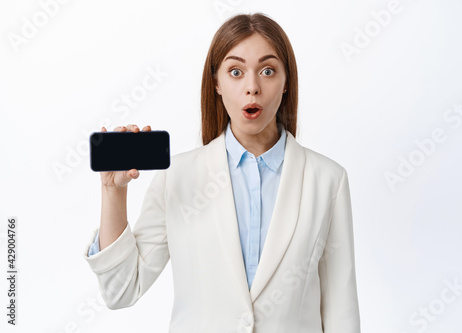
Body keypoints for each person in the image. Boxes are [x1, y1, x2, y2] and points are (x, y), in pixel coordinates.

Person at [84, 12, 361, 333]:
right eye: (235, 71)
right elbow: (121, 290)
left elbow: (342, 311)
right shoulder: (178, 177)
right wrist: (112, 191)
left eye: (268, 71)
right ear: (216, 82)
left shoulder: (328, 180)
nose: (252, 87)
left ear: (286, 83)